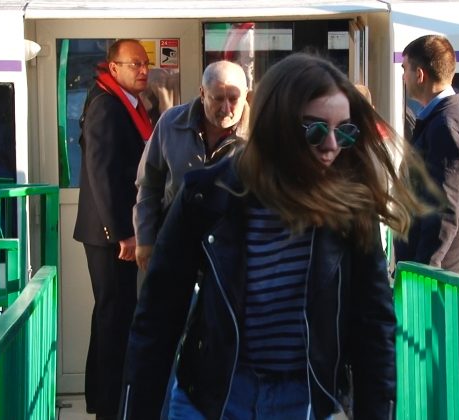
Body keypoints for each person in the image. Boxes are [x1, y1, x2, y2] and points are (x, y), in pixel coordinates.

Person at [121, 53, 428, 419]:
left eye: (345, 131)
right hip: (213, 396)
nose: (332, 145)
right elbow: (158, 317)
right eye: (316, 130)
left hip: (302, 400)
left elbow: (373, 326)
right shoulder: (207, 194)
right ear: (275, 125)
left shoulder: (349, 210)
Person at [72, 38, 152, 420]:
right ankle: (109, 406)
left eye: (146, 64)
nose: (143, 70)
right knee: (115, 316)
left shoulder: (123, 103)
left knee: (110, 314)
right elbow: (101, 173)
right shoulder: (107, 105)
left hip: (113, 230)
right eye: (135, 64)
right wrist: (122, 232)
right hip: (110, 235)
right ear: (114, 67)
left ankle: (101, 398)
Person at [133, 60, 250, 272]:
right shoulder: (170, 123)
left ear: (245, 96)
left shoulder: (260, 134)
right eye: (218, 98)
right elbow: (149, 184)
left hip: (234, 252)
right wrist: (145, 238)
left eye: (234, 99)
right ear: (202, 94)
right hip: (175, 243)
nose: (226, 109)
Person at [394, 34, 459, 278]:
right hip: (448, 271)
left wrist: (423, 272)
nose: (403, 77)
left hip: (448, 277)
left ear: (419, 74)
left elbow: (443, 207)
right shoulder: (446, 119)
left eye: (404, 69)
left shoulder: (448, 125)